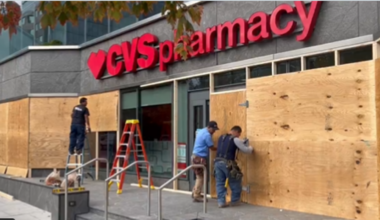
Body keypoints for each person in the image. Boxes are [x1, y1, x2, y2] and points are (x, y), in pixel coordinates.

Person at [213, 126, 253, 208]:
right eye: (239, 134)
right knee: (235, 181)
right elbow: (246, 150)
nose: (238, 136)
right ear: (237, 132)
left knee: (220, 183)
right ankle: (234, 201)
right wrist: (251, 148)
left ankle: (221, 202)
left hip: (217, 163)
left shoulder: (222, 137)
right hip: (228, 164)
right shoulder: (235, 139)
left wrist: (241, 142)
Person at [191, 121, 219, 202]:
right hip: (199, 158)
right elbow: (211, 147)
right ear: (209, 127)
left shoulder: (201, 131)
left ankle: (195, 192)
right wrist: (220, 148)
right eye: (213, 130)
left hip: (194, 156)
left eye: (215, 130)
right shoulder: (207, 135)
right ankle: (197, 195)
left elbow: (197, 132)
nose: (214, 132)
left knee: (198, 176)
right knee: (201, 177)